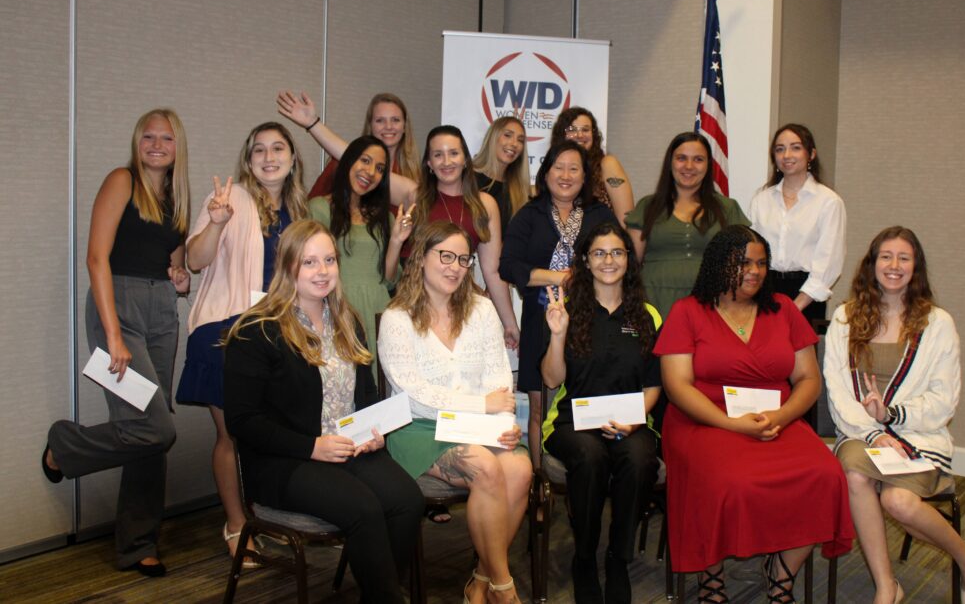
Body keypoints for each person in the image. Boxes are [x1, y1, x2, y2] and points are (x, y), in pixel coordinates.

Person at [223, 220, 423, 603]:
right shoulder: (257, 329)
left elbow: (363, 396)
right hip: (284, 461)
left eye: (328, 260)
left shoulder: (347, 322)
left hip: (347, 448)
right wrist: (312, 447)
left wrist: (373, 431)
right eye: (309, 262)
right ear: (288, 267)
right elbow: (242, 421)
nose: (322, 271)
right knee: (364, 508)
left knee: (407, 500)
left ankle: (382, 593)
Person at [655, 225, 853, 603]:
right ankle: (711, 579)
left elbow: (808, 379)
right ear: (719, 264)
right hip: (704, 419)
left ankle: (781, 573)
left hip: (774, 420)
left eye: (762, 263)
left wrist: (782, 418)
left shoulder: (782, 310)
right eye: (743, 262)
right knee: (727, 482)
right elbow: (678, 386)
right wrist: (731, 424)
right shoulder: (688, 312)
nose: (755, 271)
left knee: (826, 475)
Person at [43, 109, 191, 576]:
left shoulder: (175, 196)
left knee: (147, 428)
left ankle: (138, 544)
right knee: (157, 428)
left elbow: (176, 263)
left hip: (162, 310)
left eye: (166, 138)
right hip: (119, 308)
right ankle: (63, 447)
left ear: (177, 145)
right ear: (136, 140)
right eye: (148, 136)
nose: (156, 144)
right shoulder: (121, 180)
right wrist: (111, 336)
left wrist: (181, 275)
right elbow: (95, 257)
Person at [824, 227, 965, 604]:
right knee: (855, 472)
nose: (894, 265)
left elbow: (944, 401)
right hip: (860, 436)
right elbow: (838, 392)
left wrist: (892, 414)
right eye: (886, 256)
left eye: (904, 258)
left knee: (897, 503)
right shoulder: (845, 319)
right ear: (872, 263)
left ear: (917, 267)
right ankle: (887, 586)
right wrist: (873, 432)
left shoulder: (938, 323)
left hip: (918, 436)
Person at [378, 221, 533, 604]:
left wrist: (503, 426)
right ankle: (504, 587)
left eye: (463, 259)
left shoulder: (481, 310)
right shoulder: (397, 318)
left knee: (519, 468)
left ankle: (481, 580)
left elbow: (500, 382)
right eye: (444, 255)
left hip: (478, 424)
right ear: (420, 258)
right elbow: (413, 396)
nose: (454, 267)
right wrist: (482, 406)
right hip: (419, 427)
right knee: (486, 467)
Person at [176, 121, 307, 565]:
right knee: (231, 434)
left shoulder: (300, 210)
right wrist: (214, 224)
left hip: (275, 335)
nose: (268, 157)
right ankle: (234, 524)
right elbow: (195, 260)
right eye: (258, 151)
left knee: (270, 433)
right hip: (225, 331)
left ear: (292, 158)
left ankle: (264, 517)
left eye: (277, 148)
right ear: (248, 160)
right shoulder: (229, 198)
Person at [540, 222, 661, 603]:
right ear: (586, 262)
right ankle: (585, 558)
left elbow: (653, 385)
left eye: (617, 252)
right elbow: (550, 379)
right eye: (599, 253)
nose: (608, 260)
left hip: (632, 418)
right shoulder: (565, 310)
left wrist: (634, 419)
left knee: (640, 458)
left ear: (628, 260)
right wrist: (558, 335)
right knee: (590, 457)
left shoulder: (648, 315)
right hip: (572, 421)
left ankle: (618, 558)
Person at [500, 140, 616, 466]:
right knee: (540, 406)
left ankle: (585, 472)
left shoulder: (599, 214)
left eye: (574, 168)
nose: (565, 175)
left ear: (584, 176)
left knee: (586, 401)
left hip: (591, 319)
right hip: (540, 319)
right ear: (546, 172)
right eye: (558, 167)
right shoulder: (529, 214)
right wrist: (557, 277)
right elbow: (509, 265)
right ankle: (539, 483)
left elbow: (617, 258)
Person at [308, 135, 414, 376]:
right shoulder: (319, 208)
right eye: (364, 161)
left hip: (378, 310)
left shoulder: (384, 218)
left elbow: (388, 280)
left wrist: (397, 240)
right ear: (348, 161)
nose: (371, 172)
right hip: (337, 308)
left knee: (377, 393)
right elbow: (309, 269)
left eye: (379, 168)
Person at [407, 125, 519, 349]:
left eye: (454, 153)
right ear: (429, 163)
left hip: (464, 306)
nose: (446, 162)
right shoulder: (415, 199)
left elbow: (492, 270)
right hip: (420, 306)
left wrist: (510, 323)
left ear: (466, 159)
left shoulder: (485, 204)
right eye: (438, 155)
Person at [626, 131, 750, 320]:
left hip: (711, 303)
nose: (689, 166)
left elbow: (742, 264)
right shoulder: (647, 206)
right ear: (670, 163)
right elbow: (630, 263)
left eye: (698, 159)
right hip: (653, 302)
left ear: (708, 165)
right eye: (681, 158)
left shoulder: (728, 208)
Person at [749, 123, 846, 323]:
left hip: (807, 297)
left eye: (795, 147)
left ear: (811, 154)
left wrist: (796, 306)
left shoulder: (828, 202)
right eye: (780, 149)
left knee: (801, 354)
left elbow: (829, 262)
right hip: (764, 291)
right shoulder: (761, 199)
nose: (787, 155)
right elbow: (751, 251)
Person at [276, 90, 419, 198]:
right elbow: (312, 209)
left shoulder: (414, 174)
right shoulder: (339, 164)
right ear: (370, 126)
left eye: (395, 120)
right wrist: (312, 124)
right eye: (380, 120)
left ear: (405, 126)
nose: (388, 126)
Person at [550, 107, 633, 227]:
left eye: (585, 129)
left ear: (593, 134)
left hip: (603, 241)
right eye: (572, 129)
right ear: (562, 134)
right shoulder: (552, 167)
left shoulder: (607, 164)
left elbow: (626, 219)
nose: (579, 135)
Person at [472, 115, 531, 234]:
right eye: (507, 135)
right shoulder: (468, 178)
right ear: (493, 137)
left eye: (520, 140)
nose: (514, 144)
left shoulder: (520, 190)